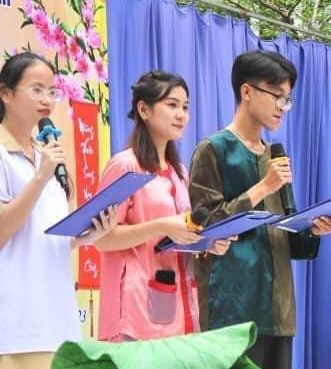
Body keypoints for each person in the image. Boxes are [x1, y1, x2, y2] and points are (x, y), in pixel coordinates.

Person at [0, 52, 117, 369]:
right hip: (12, 318)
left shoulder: (45, 158)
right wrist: (40, 176)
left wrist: (88, 236)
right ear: (6, 93)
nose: (47, 99)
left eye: (51, 91)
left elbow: (44, 239)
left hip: (51, 315)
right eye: (36, 89)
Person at [188, 51, 331, 369]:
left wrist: (313, 228)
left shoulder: (275, 156)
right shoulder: (214, 150)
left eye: (287, 99)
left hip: (279, 309)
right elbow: (205, 228)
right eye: (276, 96)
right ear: (247, 91)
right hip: (232, 308)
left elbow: (288, 236)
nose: (282, 107)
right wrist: (262, 188)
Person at [96, 70, 233, 342]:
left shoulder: (179, 172)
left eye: (185, 107)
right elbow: (102, 239)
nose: (181, 115)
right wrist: (161, 226)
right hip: (133, 310)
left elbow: (177, 233)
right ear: (143, 110)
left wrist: (206, 242)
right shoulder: (125, 166)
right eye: (172, 105)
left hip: (175, 302)